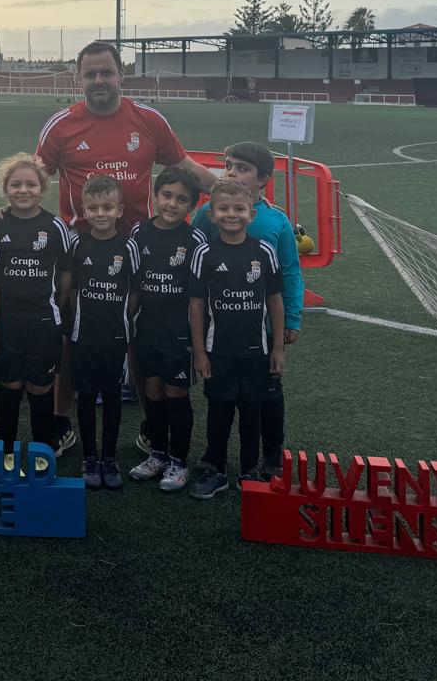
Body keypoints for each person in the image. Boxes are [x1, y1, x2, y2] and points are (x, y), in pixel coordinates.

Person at [35, 41, 219, 454]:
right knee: (72, 334)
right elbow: (33, 177)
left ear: (121, 74)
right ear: (78, 79)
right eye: (90, 74)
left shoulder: (149, 120)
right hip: (81, 250)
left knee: (138, 331)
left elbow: (185, 167)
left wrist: (228, 192)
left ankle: (153, 423)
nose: (98, 80)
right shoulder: (61, 125)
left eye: (106, 72)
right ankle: (61, 421)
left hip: (141, 248)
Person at [190, 142, 303, 482]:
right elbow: (193, 265)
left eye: (242, 168)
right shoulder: (207, 213)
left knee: (268, 393)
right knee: (221, 397)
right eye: (228, 165)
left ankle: (271, 456)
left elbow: (290, 272)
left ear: (263, 179)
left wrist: (292, 318)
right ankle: (215, 459)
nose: (231, 172)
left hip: (263, 330)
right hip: (221, 330)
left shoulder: (276, 220)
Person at [0, 153, 75, 465]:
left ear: (42, 188)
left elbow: (65, 274)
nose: (23, 190)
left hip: (43, 323)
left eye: (30, 184)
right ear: (4, 189)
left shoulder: (54, 226)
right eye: (15, 185)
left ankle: (41, 454)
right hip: (7, 322)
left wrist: (54, 304)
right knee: (10, 386)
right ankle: (7, 453)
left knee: (40, 388)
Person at [127, 169, 203, 493]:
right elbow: (132, 283)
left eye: (181, 199)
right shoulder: (139, 232)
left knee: (176, 393)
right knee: (153, 390)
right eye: (167, 195)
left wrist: (198, 341)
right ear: (156, 196)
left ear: (192, 205)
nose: (172, 204)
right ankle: (157, 454)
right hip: (146, 330)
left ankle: (179, 461)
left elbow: (199, 295)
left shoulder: (194, 240)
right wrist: (126, 320)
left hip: (178, 334)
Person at [60, 175, 139, 491]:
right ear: (84, 210)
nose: (100, 213)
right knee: (86, 395)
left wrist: (121, 317)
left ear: (120, 210)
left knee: (112, 396)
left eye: (107, 207)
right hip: (84, 336)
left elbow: (134, 291)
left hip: (116, 336)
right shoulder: (78, 243)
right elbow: (71, 289)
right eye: (93, 208)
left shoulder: (128, 246)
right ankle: (89, 457)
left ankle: (109, 457)